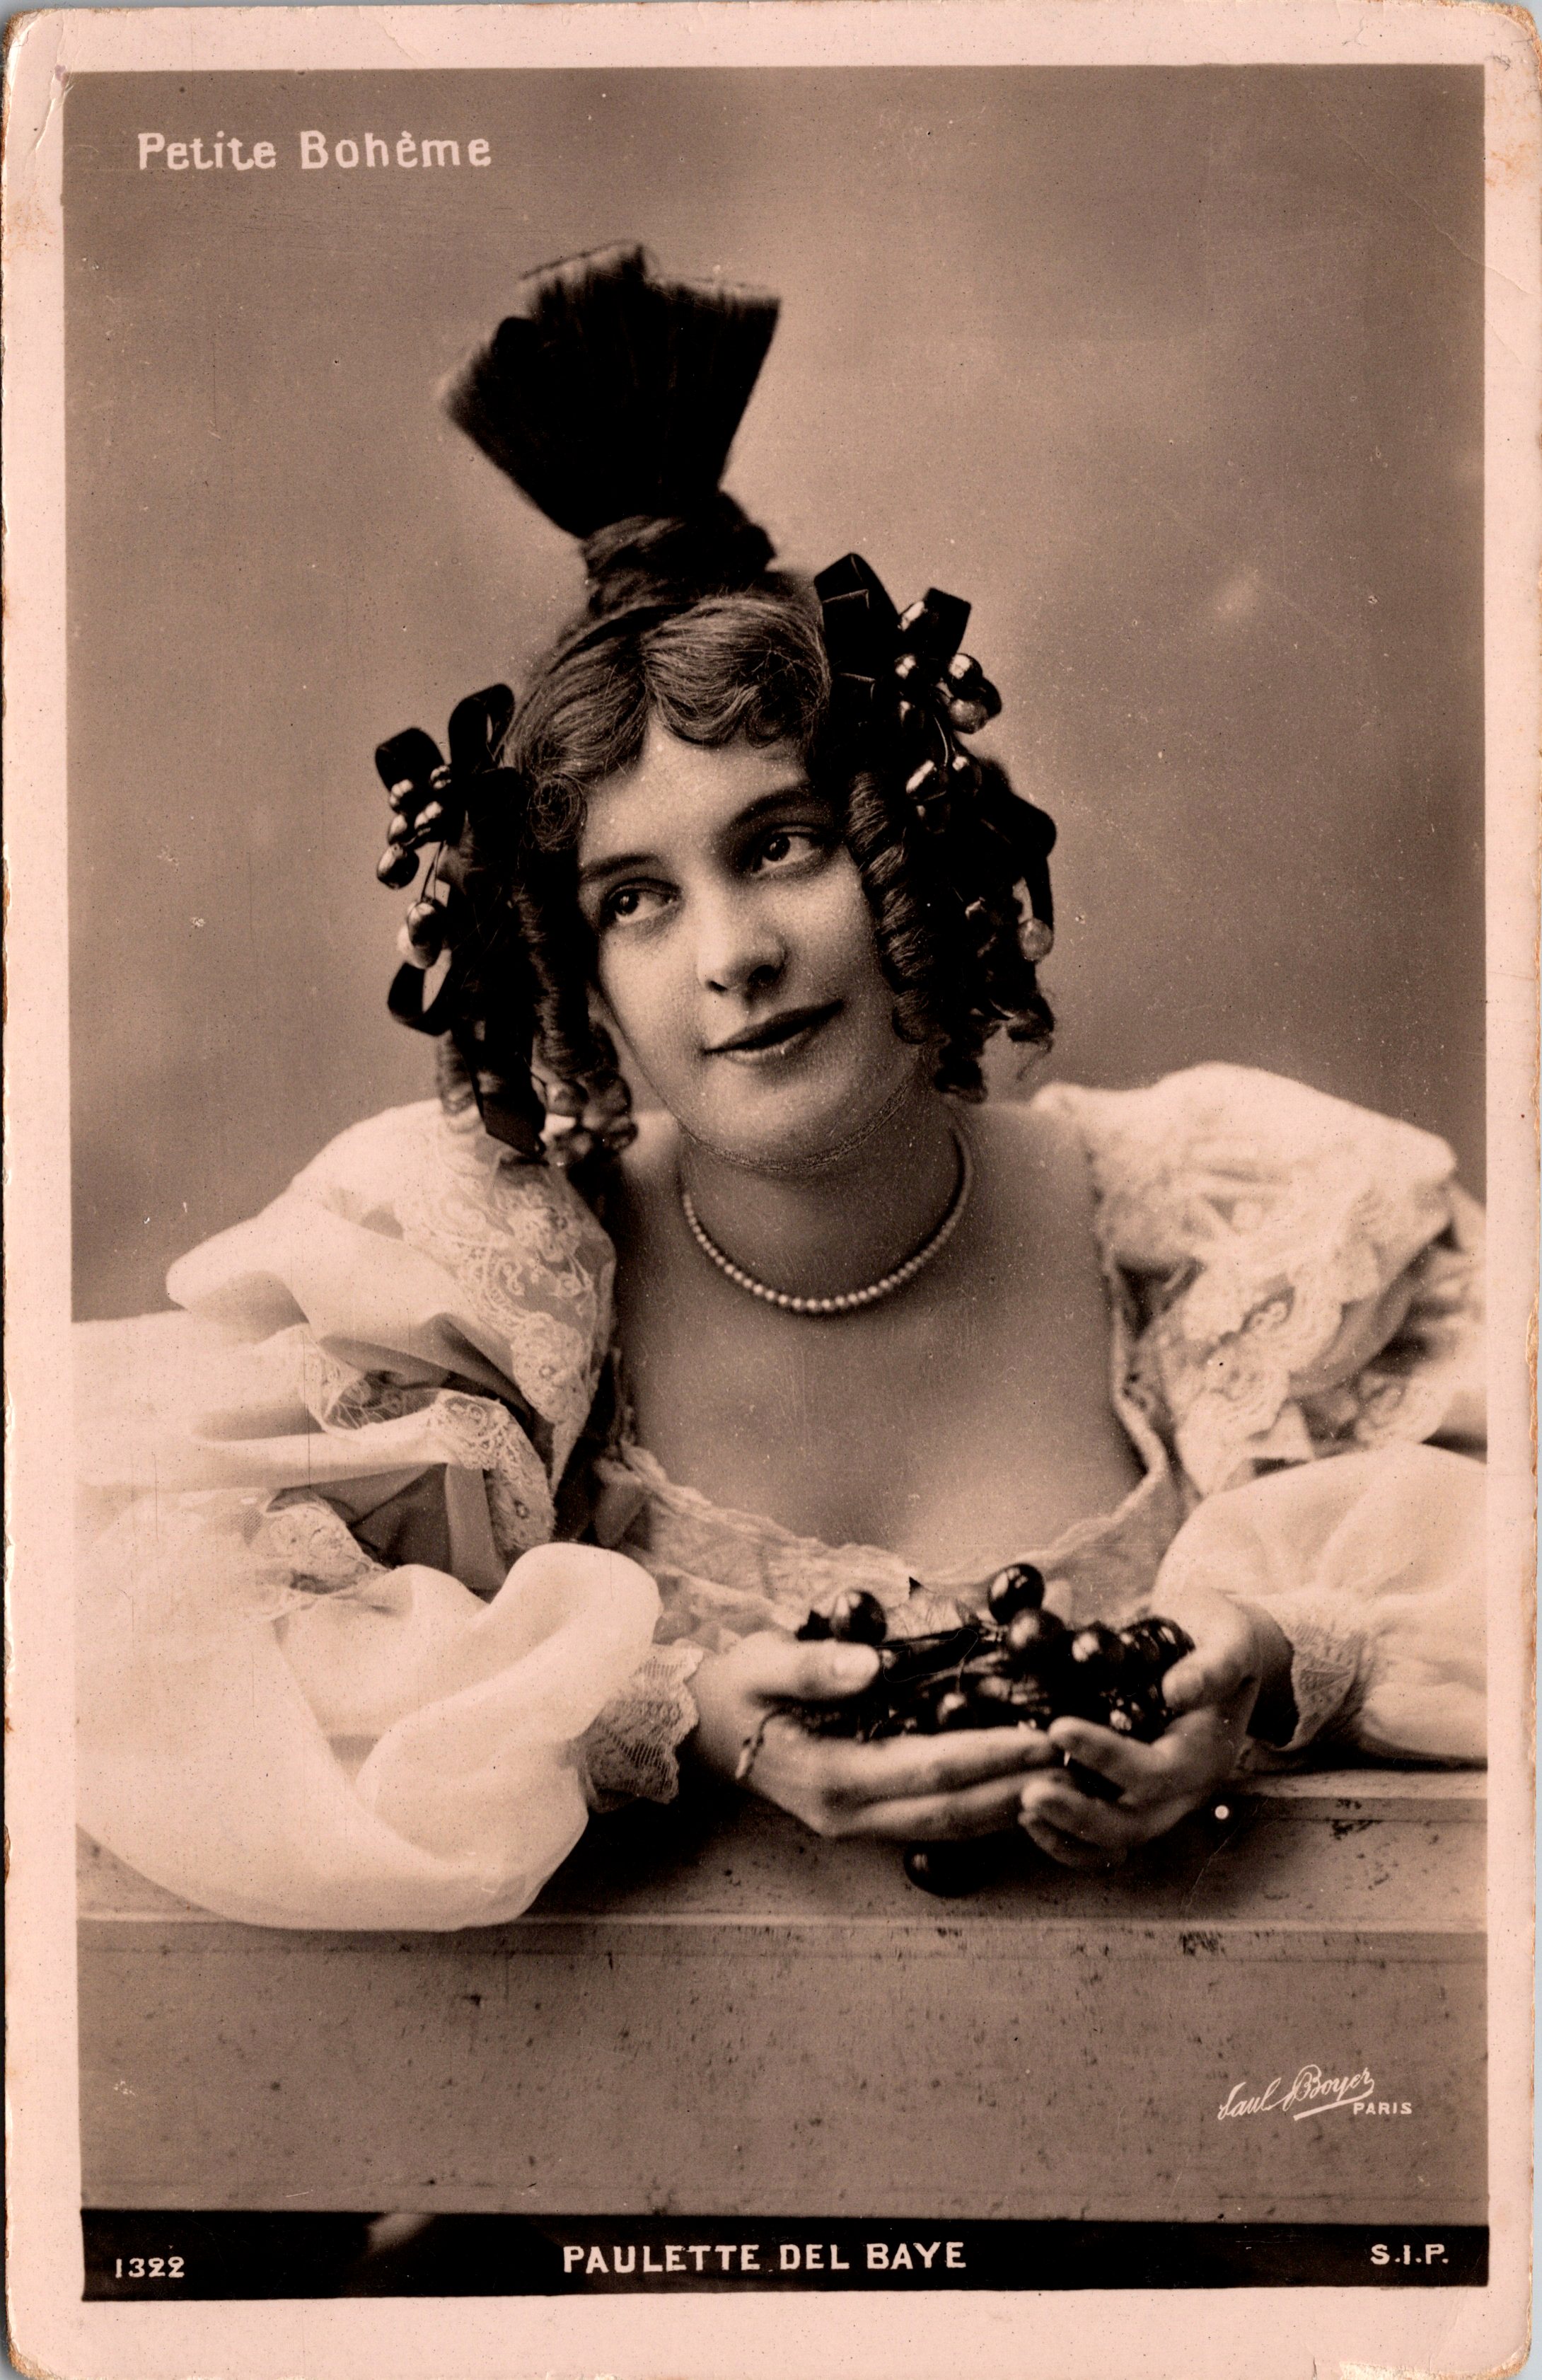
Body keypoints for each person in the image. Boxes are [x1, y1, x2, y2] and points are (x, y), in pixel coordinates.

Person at [75, 246, 1485, 1929]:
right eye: (635, 898)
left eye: (781, 845)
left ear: (906, 855)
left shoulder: (1229, 1228)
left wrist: (1281, 1663)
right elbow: (133, 1636)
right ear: (573, 973)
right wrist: (660, 1713)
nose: (731, 955)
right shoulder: (478, 1293)